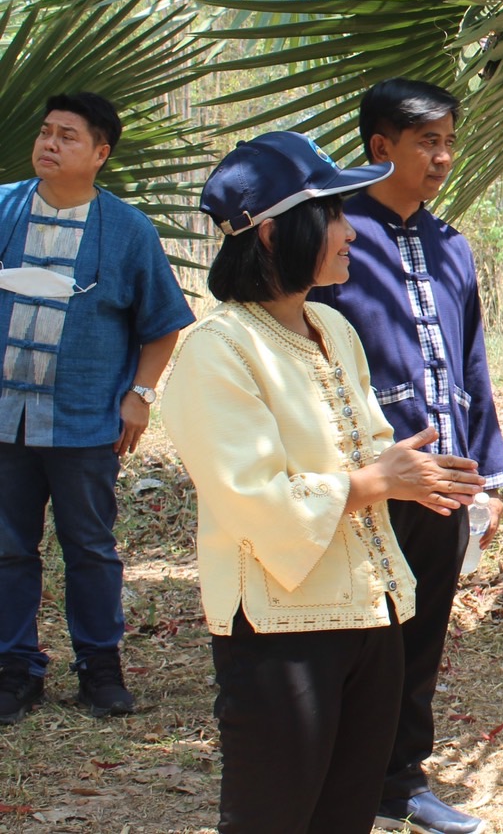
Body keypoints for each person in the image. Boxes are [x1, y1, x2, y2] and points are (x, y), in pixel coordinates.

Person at [162, 131, 485, 833]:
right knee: (274, 818)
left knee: (346, 813)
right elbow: (253, 499)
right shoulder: (216, 351)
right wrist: (374, 482)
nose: (349, 233)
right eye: (333, 216)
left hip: (370, 614)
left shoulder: (331, 326)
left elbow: (366, 445)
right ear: (275, 234)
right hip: (282, 630)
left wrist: (418, 474)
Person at [312, 79, 503, 834]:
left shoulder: (450, 245)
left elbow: (471, 363)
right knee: (360, 637)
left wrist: (486, 476)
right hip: (365, 483)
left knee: (421, 634)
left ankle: (401, 783)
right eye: (427, 142)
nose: (443, 158)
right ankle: (339, 781)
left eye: (449, 142)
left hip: (445, 481)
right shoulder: (335, 240)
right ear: (379, 147)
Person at [0, 93, 194, 725]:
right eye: (46, 132)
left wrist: (139, 396)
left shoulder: (127, 230)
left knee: (89, 547)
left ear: (100, 154)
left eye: (68, 137)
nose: (49, 144)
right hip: (4, 420)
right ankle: (15, 670)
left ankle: (100, 669)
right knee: (7, 547)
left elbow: (162, 324)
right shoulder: (3, 208)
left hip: (85, 422)